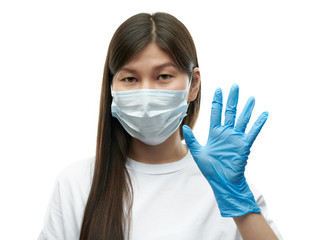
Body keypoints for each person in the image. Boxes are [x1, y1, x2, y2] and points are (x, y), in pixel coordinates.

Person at [38, 12, 282, 240]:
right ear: (112, 86)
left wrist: (238, 202)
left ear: (193, 84)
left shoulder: (223, 183)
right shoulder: (78, 183)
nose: (147, 94)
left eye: (163, 76)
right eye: (130, 78)